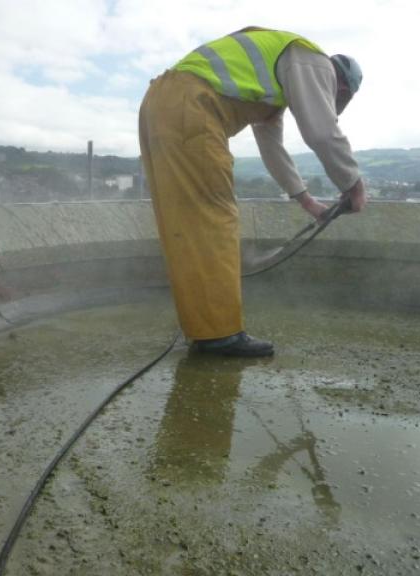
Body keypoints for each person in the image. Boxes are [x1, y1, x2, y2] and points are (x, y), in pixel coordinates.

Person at [138, 26, 366, 357]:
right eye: (337, 98)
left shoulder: (273, 84)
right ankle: (220, 335)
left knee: (185, 224)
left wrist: (308, 202)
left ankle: (203, 329)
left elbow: (271, 148)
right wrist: (354, 185)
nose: (331, 101)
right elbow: (321, 131)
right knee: (216, 221)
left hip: (160, 103)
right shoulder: (311, 59)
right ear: (340, 85)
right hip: (191, 106)